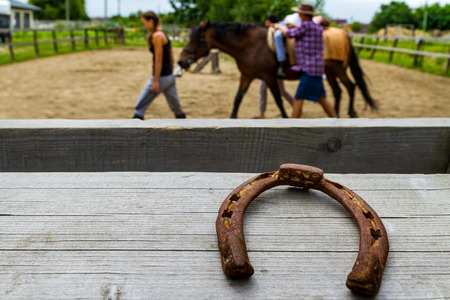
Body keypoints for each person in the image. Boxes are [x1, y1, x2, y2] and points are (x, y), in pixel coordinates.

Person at [274, 3, 337, 118]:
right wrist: (294, 26)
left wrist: (279, 27)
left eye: (299, 13)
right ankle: (336, 120)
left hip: (309, 69)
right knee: (321, 98)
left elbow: (289, 34)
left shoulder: (305, 26)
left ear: (304, 15)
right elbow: (304, 32)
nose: (298, 15)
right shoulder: (317, 27)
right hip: (317, 69)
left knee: (298, 99)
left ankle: (292, 127)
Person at [133, 11, 186, 120]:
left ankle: (131, 133)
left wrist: (156, 81)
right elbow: (171, 55)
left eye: (144, 23)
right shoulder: (164, 34)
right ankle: (184, 126)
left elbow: (158, 59)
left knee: (140, 106)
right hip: (169, 77)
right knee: (176, 108)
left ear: (151, 21)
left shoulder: (157, 36)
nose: (144, 26)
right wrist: (171, 73)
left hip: (161, 77)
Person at [254, 13, 294, 119]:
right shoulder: (274, 30)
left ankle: (295, 106)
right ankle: (261, 113)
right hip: (270, 67)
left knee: (279, 90)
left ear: (268, 22)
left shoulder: (273, 31)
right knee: (267, 89)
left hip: (271, 67)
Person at [270, 13, 302, 77]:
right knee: (278, 36)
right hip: (285, 23)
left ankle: (283, 64)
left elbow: (288, 33)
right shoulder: (291, 17)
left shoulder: (301, 23)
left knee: (278, 36)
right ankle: (281, 63)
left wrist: (280, 27)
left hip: (289, 25)